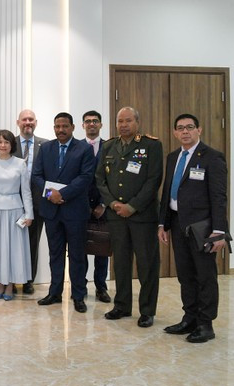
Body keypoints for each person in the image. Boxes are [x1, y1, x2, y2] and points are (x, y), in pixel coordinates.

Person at [158, 114, 229, 343]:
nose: (185, 132)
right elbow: (167, 192)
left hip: (202, 228)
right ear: (175, 133)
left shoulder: (212, 157)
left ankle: (206, 324)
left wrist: (219, 231)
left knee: (205, 276)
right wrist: (163, 223)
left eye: (190, 127)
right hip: (178, 224)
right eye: (180, 128)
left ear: (199, 129)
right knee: (185, 274)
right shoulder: (172, 157)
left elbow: (219, 198)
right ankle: (189, 317)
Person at [95, 107, 163, 328]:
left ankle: (147, 310)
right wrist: (113, 204)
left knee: (146, 264)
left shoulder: (151, 145)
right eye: (120, 121)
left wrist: (132, 206)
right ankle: (122, 305)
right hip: (116, 216)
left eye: (128, 121)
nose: (123, 125)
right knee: (121, 263)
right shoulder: (108, 146)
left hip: (142, 216)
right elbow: (100, 180)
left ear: (137, 122)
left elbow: (153, 180)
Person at [32, 113, 96, 312]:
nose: (61, 130)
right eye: (57, 126)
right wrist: (52, 194)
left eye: (65, 126)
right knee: (55, 254)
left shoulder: (84, 149)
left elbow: (85, 177)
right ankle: (55, 293)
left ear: (73, 127)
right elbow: (36, 175)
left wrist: (63, 194)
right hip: (51, 211)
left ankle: (78, 296)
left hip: (75, 211)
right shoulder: (46, 148)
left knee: (77, 255)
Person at [0, 130, 33, 300]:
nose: (3, 145)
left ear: (12, 145)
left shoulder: (20, 164)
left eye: (6, 142)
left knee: (12, 249)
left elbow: (26, 191)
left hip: (14, 210)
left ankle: (10, 285)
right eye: (0, 142)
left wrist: (29, 214)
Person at [12, 109, 48, 294]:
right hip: (13, 203)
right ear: (18, 122)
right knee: (13, 243)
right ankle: (12, 280)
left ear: (36, 122)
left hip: (38, 203)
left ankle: (28, 281)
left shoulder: (47, 145)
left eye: (31, 120)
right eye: (24, 119)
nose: (28, 122)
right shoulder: (10, 144)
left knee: (32, 242)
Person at [82, 110, 111, 303]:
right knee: (80, 248)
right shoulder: (75, 147)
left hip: (103, 207)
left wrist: (103, 203)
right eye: (88, 121)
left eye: (95, 121)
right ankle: (80, 286)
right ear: (83, 125)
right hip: (81, 207)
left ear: (101, 125)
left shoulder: (110, 147)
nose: (92, 124)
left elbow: (114, 178)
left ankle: (101, 287)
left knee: (102, 247)